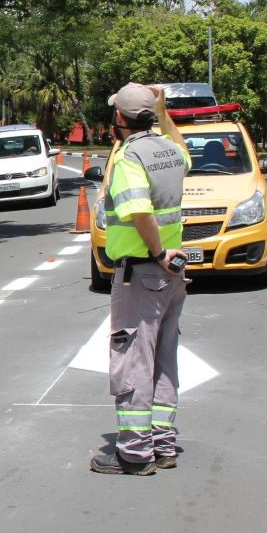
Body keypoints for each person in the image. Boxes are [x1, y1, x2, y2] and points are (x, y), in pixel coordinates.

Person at [90, 83, 192, 476]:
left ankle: (133, 453)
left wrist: (156, 253)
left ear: (119, 119)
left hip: (143, 271)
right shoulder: (167, 150)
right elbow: (184, 153)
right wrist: (163, 110)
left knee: (133, 357)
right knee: (164, 359)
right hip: (172, 277)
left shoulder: (130, 158)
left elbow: (138, 211)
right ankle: (163, 444)